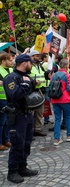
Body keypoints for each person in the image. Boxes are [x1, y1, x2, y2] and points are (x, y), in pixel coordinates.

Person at [3, 54, 39, 183]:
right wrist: (25, 84)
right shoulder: (11, 78)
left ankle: (22, 167)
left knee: (27, 143)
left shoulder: (27, 77)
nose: (31, 65)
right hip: (17, 115)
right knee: (17, 143)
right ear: (24, 63)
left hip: (28, 114)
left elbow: (31, 94)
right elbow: (15, 94)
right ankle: (12, 171)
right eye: (30, 62)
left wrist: (33, 84)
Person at [49, 59, 70, 145]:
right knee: (68, 116)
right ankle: (69, 135)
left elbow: (50, 87)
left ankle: (56, 139)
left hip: (55, 99)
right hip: (65, 99)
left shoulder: (53, 75)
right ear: (67, 66)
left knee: (57, 119)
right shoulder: (67, 75)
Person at [28, 50, 47, 137]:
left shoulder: (40, 66)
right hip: (31, 91)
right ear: (31, 57)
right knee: (31, 112)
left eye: (39, 55)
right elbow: (24, 77)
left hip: (40, 91)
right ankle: (29, 131)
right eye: (36, 55)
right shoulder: (29, 66)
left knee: (40, 112)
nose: (39, 57)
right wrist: (33, 82)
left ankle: (37, 129)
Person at [0, 53, 13, 151]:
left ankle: (6, 139)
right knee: (1, 122)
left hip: (9, 99)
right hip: (1, 99)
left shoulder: (11, 70)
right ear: (3, 61)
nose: (11, 61)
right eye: (9, 60)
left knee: (6, 122)